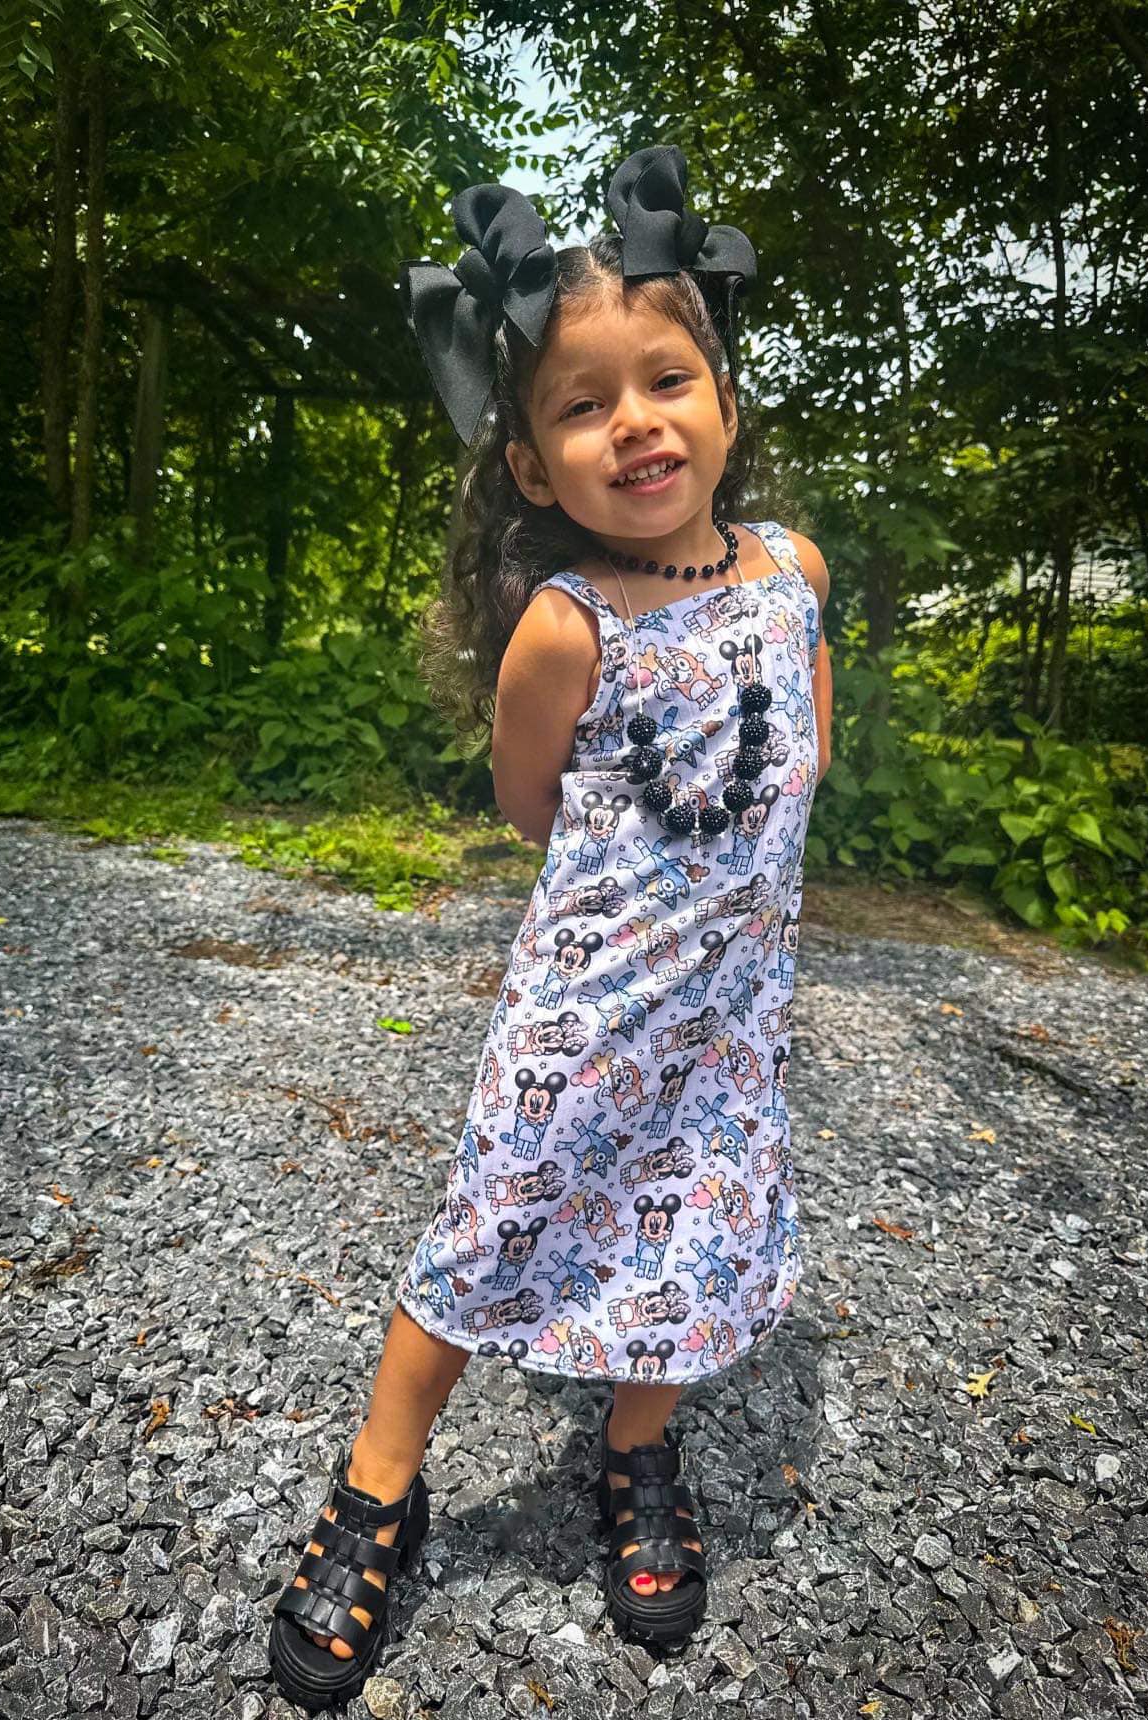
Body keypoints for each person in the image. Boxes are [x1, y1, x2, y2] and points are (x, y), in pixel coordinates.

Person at [268, 142, 833, 1710]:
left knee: (687, 1244)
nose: (632, 421)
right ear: (531, 466)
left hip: (730, 1028)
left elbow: (802, 760)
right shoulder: (564, 627)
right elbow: (536, 808)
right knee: (490, 1228)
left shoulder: (794, 577)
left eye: (665, 382)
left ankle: (635, 1455)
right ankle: (379, 1486)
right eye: (583, 406)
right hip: (580, 1018)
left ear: (723, 406)